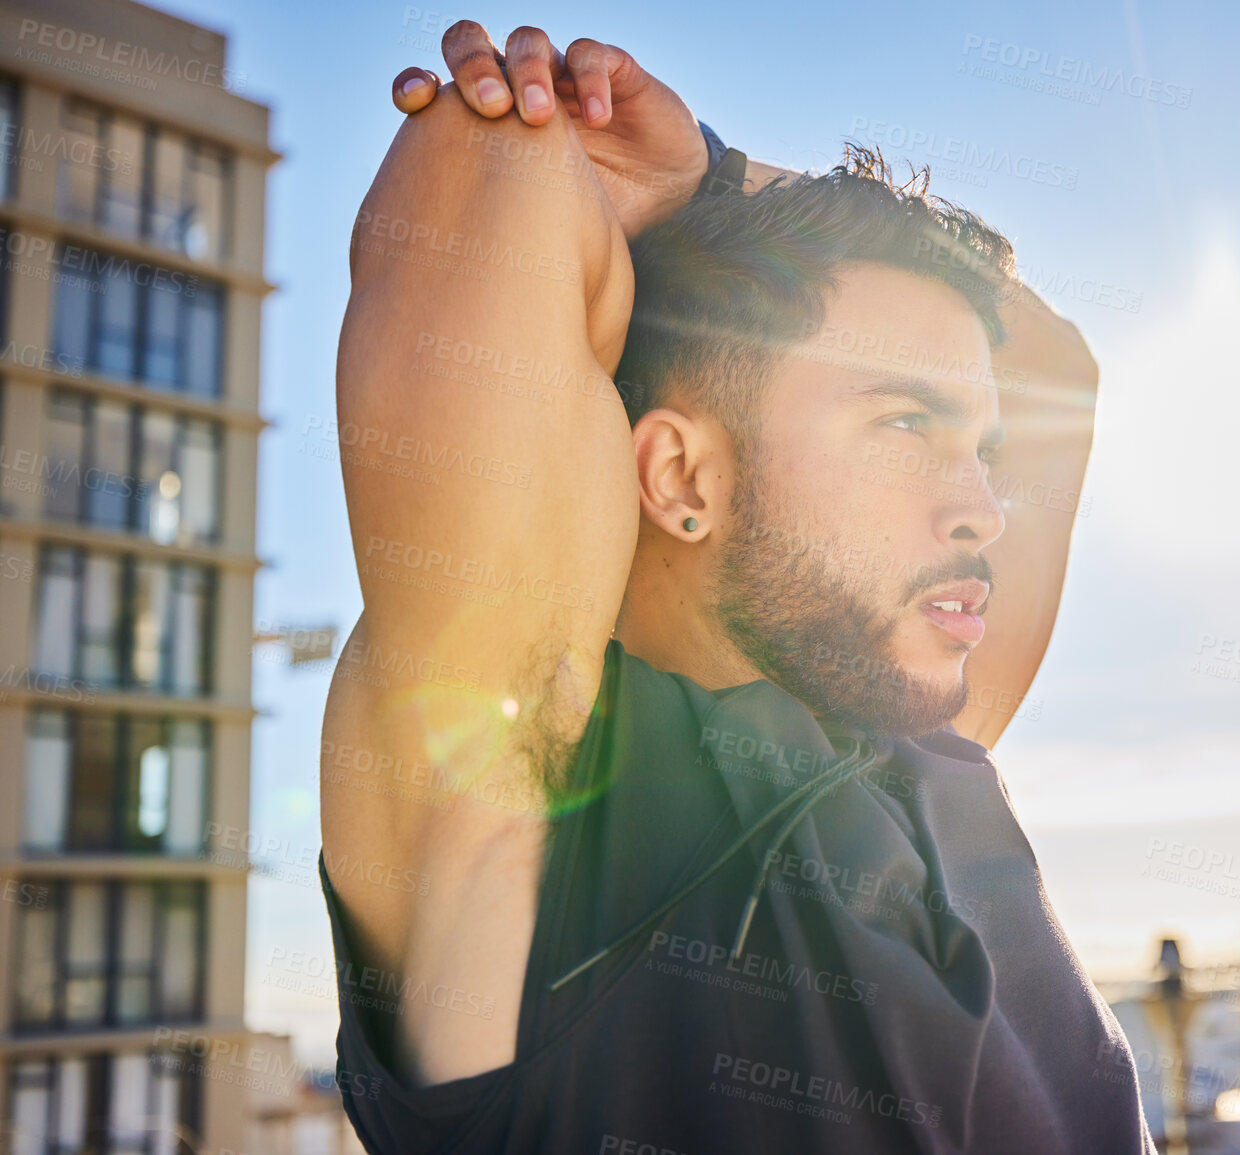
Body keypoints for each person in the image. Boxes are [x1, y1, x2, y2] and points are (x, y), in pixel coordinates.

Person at [318, 18, 1153, 1153]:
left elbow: (1054, 362)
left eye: (985, 453)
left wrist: (712, 176)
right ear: (680, 475)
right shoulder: (530, 791)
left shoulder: (932, 747)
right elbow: (492, 158)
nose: (985, 511)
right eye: (907, 421)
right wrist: (674, 183)